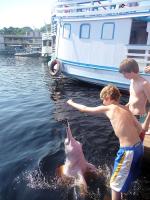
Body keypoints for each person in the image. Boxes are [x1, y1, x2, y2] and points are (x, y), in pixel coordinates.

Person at [67, 84, 150, 200]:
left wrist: (71, 102)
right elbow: (140, 129)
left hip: (128, 152)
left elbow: (84, 109)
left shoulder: (108, 108)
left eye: (103, 100)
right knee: (130, 176)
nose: (102, 102)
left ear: (108, 98)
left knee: (114, 185)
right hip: (138, 148)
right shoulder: (125, 108)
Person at [119, 58, 150, 126]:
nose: (123, 76)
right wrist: (123, 108)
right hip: (130, 114)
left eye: (124, 73)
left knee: (138, 136)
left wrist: (146, 123)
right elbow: (133, 99)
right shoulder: (132, 80)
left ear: (131, 71)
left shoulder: (144, 84)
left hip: (140, 117)